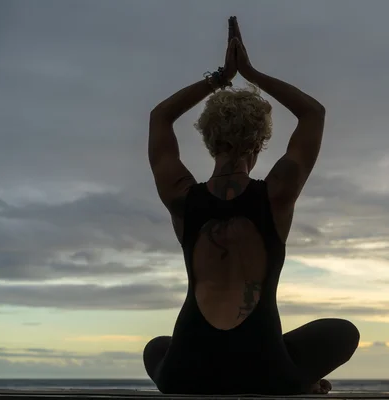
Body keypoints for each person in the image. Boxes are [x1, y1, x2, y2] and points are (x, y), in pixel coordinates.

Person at [143, 16, 360, 395]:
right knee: (343, 331)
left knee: (156, 348)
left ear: (209, 141)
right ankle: (300, 381)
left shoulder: (180, 195)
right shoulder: (277, 192)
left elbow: (160, 117)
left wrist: (220, 77)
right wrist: (251, 73)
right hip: (267, 373)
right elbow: (313, 113)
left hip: (185, 373)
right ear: (259, 144)